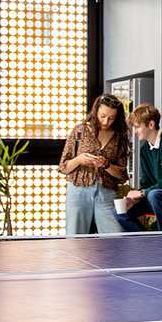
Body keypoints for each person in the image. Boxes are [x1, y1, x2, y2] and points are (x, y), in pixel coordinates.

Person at [59, 94, 130, 234]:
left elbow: (122, 175)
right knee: (75, 239)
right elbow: (63, 167)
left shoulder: (119, 136)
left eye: (111, 118)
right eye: (103, 116)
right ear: (96, 110)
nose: (106, 121)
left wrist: (106, 165)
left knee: (115, 237)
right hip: (78, 191)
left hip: (106, 193)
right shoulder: (79, 131)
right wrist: (79, 159)